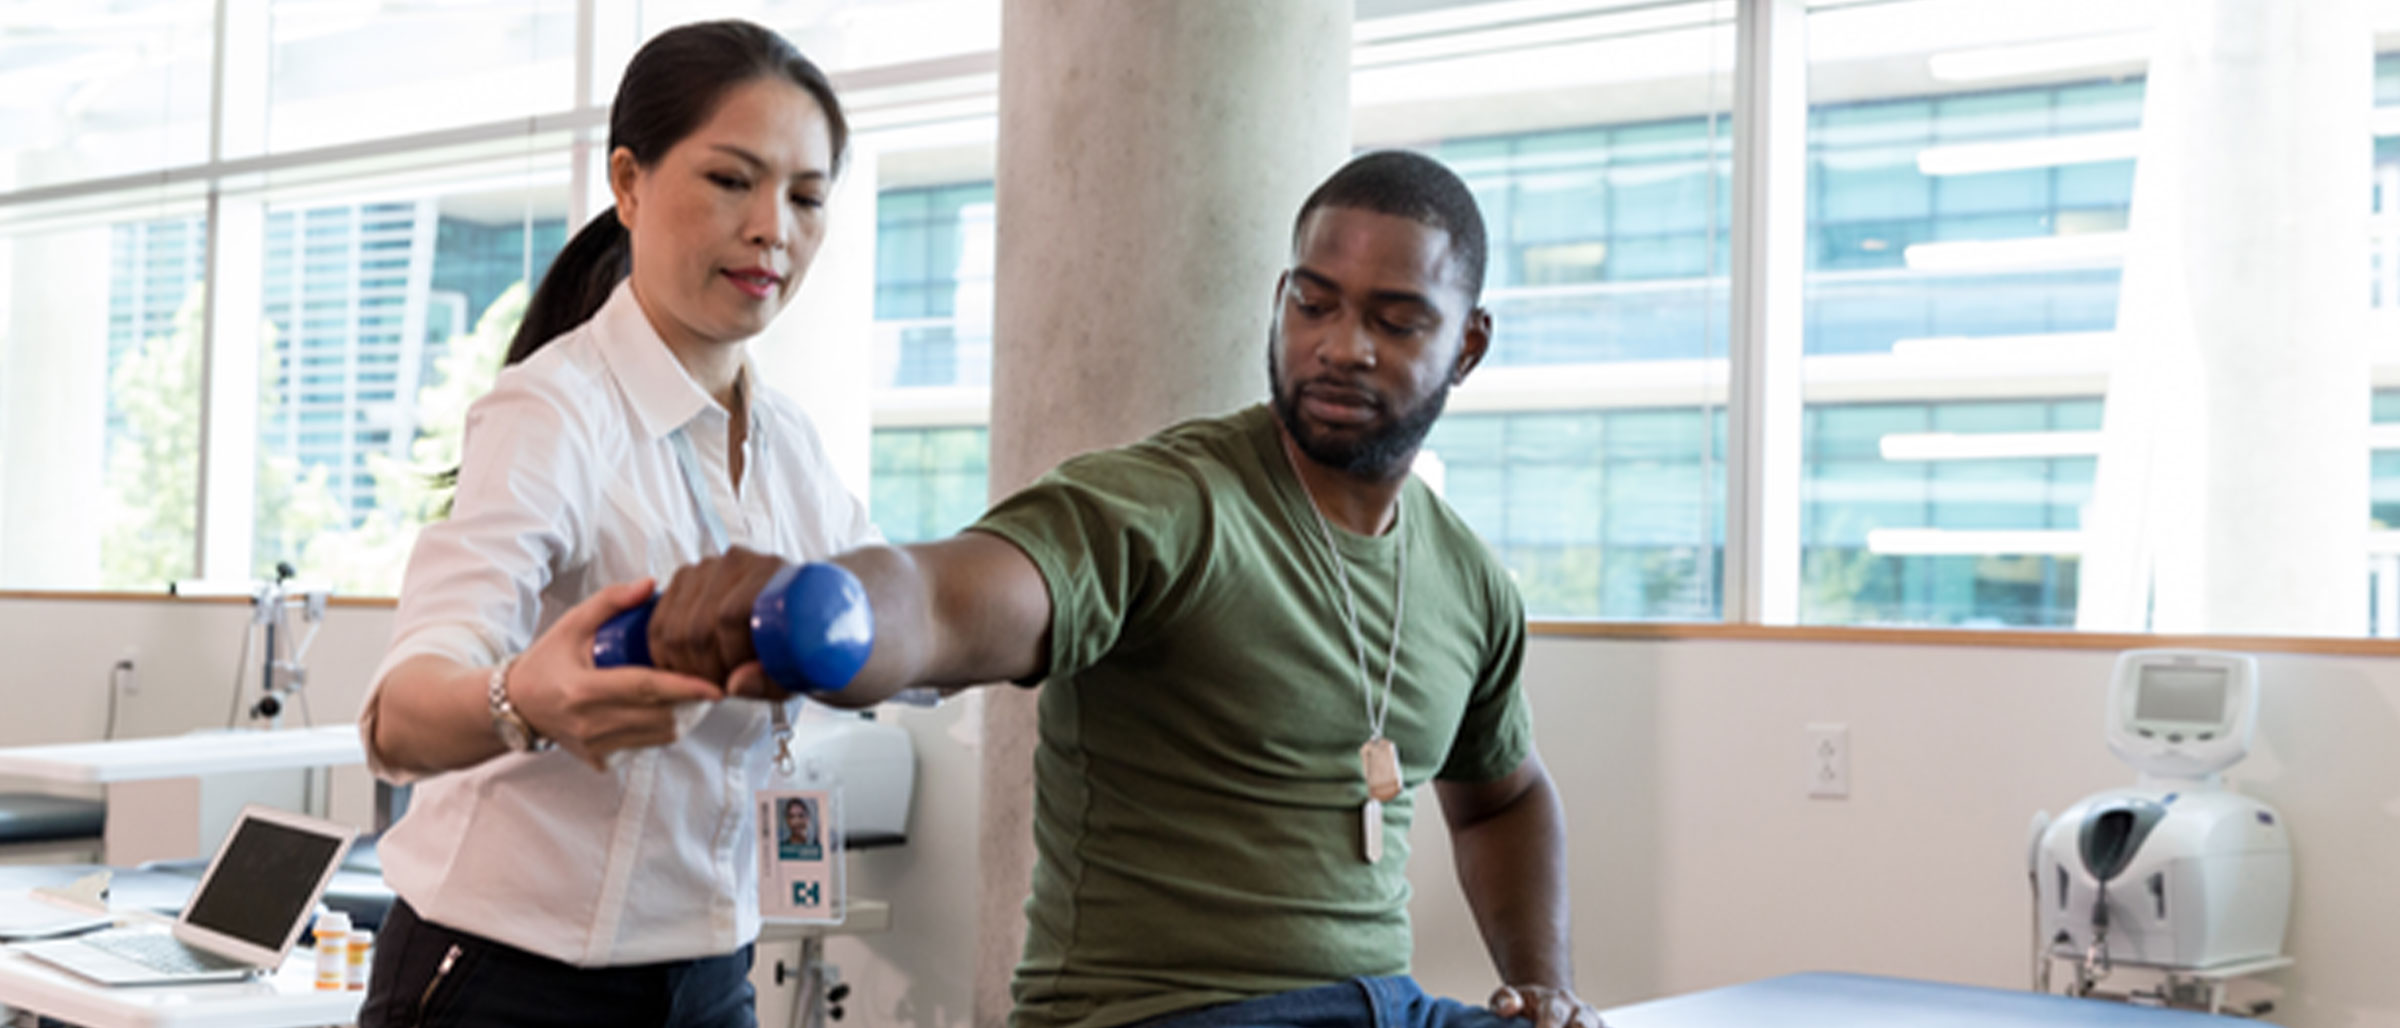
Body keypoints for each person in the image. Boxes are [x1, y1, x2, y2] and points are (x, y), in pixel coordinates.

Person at [646, 150, 1604, 1028]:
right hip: (1166, 1014)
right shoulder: (1164, 505)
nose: (1342, 345)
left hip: (1383, 1007)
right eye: (1314, 304)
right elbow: (944, 599)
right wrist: (827, 610)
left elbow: (1503, 799)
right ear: (1280, 300)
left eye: (1396, 321)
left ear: (1469, 346)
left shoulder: (1468, 580)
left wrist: (1544, 985)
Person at [353, 20, 873, 1028]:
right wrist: (526, 699)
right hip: (504, 980)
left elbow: (911, 624)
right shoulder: (552, 411)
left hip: (709, 977)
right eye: (732, 180)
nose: (774, 226)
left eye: (807, 197)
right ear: (629, 184)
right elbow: (397, 715)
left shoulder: (792, 447)